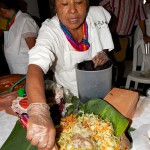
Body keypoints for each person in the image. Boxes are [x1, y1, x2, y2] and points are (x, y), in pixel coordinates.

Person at [25, 0, 114, 149]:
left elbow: (103, 39)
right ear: (54, 6)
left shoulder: (97, 15)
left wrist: (103, 53)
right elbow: (36, 66)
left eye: (79, 2)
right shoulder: (51, 31)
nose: (73, 10)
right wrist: (38, 111)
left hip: (101, 91)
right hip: (71, 100)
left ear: (87, 3)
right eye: (64, 4)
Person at [0, 0, 39, 74]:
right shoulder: (11, 22)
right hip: (16, 70)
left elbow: (34, 50)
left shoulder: (25, 20)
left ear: (2, 8)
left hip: (27, 71)